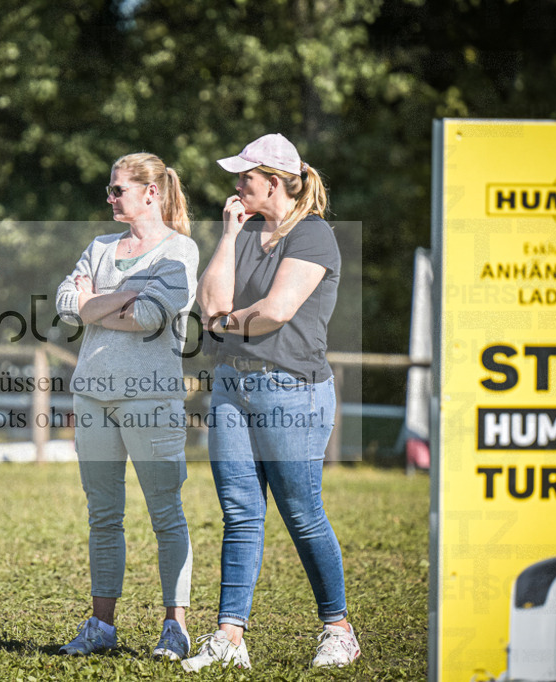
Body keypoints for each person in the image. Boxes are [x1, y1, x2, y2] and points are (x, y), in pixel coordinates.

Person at [182, 134, 360, 671]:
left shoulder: (313, 236)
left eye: (246, 178)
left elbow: (276, 310)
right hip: (232, 383)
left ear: (276, 182)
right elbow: (209, 299)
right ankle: (229, 636)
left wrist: (222, 324)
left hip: (293, 389)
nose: (237, 186)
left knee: (302, 512)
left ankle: (339, 630)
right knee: (240, 514)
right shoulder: (244, 231)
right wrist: (229, 235)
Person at [55, 152, 199, 661]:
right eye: (111, 189)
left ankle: (174, 628)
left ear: (151, 193)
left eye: (118, 189)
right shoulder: (99, 246)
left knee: (166, 514)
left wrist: (100, 301)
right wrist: (116, 298)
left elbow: (149, 317)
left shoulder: (180, 251)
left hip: (150, 398)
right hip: (92, 393)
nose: (110, 197)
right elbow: (66, 307)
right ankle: (101, 624)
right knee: (103, 515)